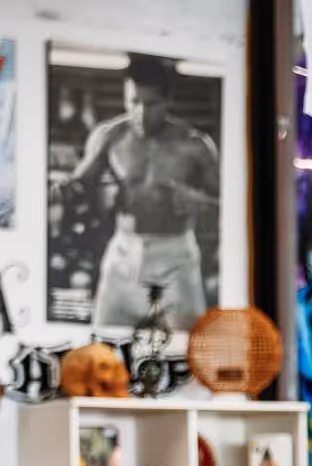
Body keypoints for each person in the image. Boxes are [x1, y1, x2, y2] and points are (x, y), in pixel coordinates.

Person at [57, 54, 217, 329]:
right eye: (133, 101)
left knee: (187, 352)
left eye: (151, 103)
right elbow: (80, 184)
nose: (141, 112)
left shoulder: (195, 145)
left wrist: (198, 201)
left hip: (175, 256)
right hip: (123, 252)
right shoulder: (109, 136)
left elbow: (227, 204)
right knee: (104, 352)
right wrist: (64, 190)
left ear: (168, 101)